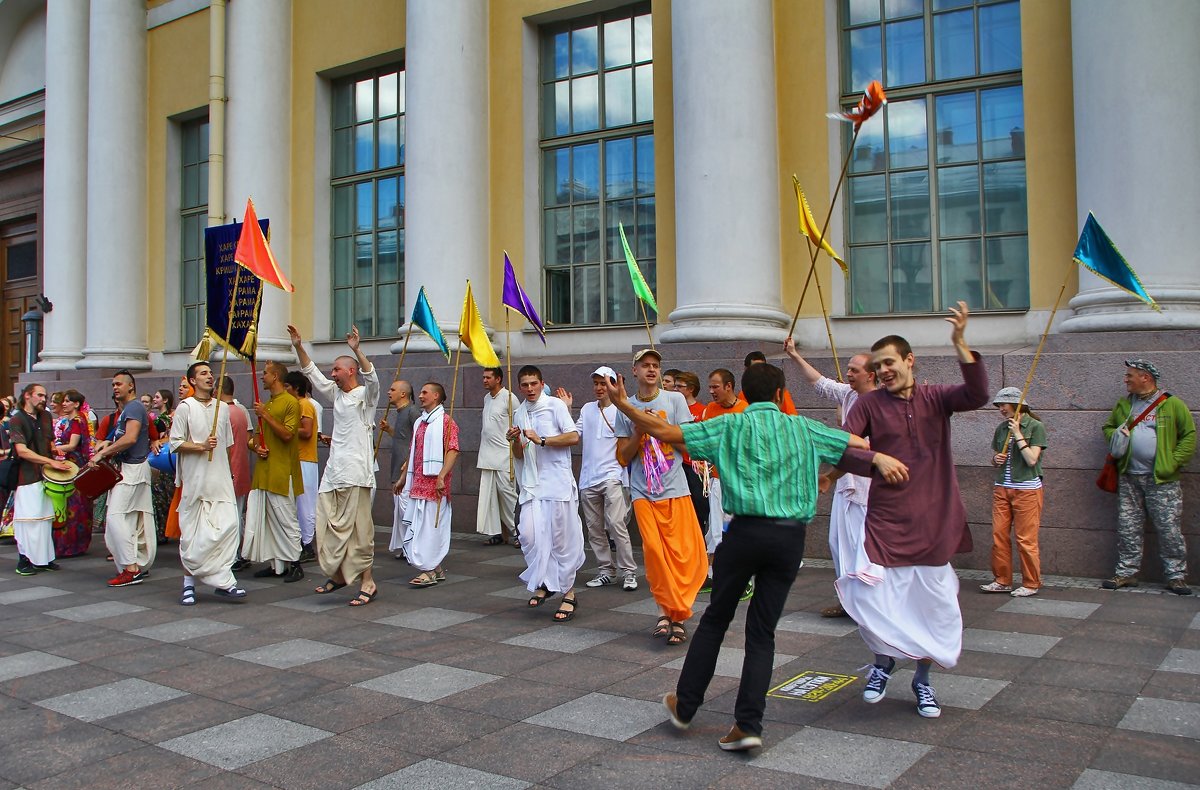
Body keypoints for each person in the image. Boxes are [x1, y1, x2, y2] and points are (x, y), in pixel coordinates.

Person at [607, 364, 901, 751]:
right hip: (788, 540)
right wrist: (860, 463)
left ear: (744, 393)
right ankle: (747, 725)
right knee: (762, 632)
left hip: (744, 533)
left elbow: (664, 431)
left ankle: (686, 705)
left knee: (716, 620)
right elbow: (855, 446)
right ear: (781, 395)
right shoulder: (803, 428)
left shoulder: (729, 425)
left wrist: (624, 404)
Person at [835, 303, 988, 719]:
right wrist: (875, 460)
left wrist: (960, 343)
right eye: (877, 365)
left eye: (890, 362)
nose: (884, 371)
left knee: (932, 607)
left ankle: (923, 680)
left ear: (909, 361)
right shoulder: (866, 406)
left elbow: (977, 395)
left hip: (935, 522)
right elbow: (840, 451)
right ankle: (882, 665)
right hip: (886, 523)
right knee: (878, 601)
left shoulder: (937, 398)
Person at [613, 349, 707, 646]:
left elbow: (687, 442)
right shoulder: (625, 406)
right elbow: (623, 457)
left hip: (675, 487)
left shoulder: (675, 400)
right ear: (635, 371)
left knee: (680, 556)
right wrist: (640, 430)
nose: (651, 370)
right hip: (643, 490)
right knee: (655, 555)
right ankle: (664, 613)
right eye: (645, 366)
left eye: (656, 365)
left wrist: (660, 428)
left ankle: (676, 616)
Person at [784, 339, 877, 617]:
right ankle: (849, 601)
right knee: (839, 543)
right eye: (848, 369)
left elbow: (863, 451)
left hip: (864, 486)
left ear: (870, 375)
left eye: (854, 370)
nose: (848, 374)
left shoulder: (878, 403)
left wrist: (830, 475)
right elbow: (820, 382)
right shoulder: (848, 394)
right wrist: (794, 355)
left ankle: (868, 604)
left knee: (861, 545)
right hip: (843, 482)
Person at [290, 323, 381, 606]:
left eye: (336, 370)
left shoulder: (367, 396)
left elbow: (373, 377)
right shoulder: (336, 394)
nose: (332, 374)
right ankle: (341, 575)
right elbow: (312, 374)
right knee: (328, 525)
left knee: (359, 530)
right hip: (333, 472)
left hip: (357, 473)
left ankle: (368, 581)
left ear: (350, 371)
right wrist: (298, 346)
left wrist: (357, 350)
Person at [1101, 359, 1194, 595]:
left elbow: (1189, 436)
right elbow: (1108, 427)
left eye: (1129, 375)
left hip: (1161, 479)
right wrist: (1117, 435)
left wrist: (1172, 463)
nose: (1125, 380)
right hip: (1129, 477)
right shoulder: (1124, 404)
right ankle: (1126, 572)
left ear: (1145, 377)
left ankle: (1176, 576)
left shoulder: (1172, 404)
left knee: (1168, 528)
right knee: (1128, 527)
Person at [507, 365, 583, 622]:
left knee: (561, 539)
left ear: (541, 384)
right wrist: (515, 441)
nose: (529, 389)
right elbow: (519, 454)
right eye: (525, 385)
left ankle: (568, 593)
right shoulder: (519, 413)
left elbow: (573, 437)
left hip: (557, 482)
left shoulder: (555, 406)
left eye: (533, 384)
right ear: (519, 387)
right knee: (528, 534)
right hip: (532, 484)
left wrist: (542, 440)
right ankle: (547, 582)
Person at [169, 361, 247, 604]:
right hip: (195, 480)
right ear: (192, 380)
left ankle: (223, 580)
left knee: (228, 527)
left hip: (220, 478)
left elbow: (228, 446)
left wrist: (230, 473)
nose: (209, 376)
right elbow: (175, 443)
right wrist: (201, 446)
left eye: (211, 373)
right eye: (203, 373)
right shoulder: (185, 408)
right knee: (193, 533)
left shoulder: (222, 409)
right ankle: (189, 584)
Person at [555, 366, 638, 592]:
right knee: (594, 529)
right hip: (588, 478)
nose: (599, 388)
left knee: (616, 524)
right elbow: (574, 434)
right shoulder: (588, 409)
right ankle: (606, 571)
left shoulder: (623, 409)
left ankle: (629, 572)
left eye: (604, 383)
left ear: (613, 384)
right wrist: (568, 410)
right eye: (597, 384)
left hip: (613, 475)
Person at [980, 387, 1047, 598]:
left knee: (1026, 539)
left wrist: (1018, 434)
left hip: (1027, 489)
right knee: (999, 535)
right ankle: (1002, 580)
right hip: (1002, 487)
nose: (1000, 409)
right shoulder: (1001, 429)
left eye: (1004, 404)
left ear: (1018, 404)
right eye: (998, 405)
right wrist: (995, 460)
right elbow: (997, 459)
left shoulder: (1035, 426)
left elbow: (1031, 460)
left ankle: (1031, 582)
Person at [92, 370, 156, 587]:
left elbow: (130, 438)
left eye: (118, 384)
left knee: (116, 517)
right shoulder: (128, 410)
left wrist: (103, 453)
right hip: (130, 470)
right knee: (128, 521)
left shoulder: (135, 407)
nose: (115, 387)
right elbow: (121, 436)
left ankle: (131, 568)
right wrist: (107, 444)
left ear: (131, 386)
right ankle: (134, 565)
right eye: (112, 385)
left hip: (133, 470)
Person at [244, 361, 305, 584]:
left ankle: (296, 562)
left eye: (265, 373)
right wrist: (255, 447)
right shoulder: (268, 404)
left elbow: (288, 434)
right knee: (269, 520)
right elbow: (255, 438)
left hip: (282, 471)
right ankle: (277, 566)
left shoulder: (290, 403)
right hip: (264, 471)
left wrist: (265, 415)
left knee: (286, 518)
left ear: (276, 376)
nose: (262, 377)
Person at [400, 382, 459, 586]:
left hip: (436, 485)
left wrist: (442, 475)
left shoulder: (446, 422)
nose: (421, 396)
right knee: (422, 527)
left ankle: (430, 570)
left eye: (425, 392)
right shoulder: (420, 422)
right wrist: (402, 478)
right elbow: (413, 450)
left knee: (432, 528)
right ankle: (435, 568)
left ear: (436, 396)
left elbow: (453, 450)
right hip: (417, 483)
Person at [10, 384, 72, 575]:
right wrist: (49, 461)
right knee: (28, 518)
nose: (43, 399)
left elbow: (50, 440)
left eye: (45, 396)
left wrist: (56, 450)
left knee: (45, 518)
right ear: (27, 396)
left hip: (45, 474)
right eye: (39, 395)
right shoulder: (17, 419)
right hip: (26, 476)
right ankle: (24, 559)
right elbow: (21, 450)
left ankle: (43, 559)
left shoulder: (45, 416)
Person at [698, 369, 748, 594]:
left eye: (715, 386)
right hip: (717, 479)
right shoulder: (710, 410)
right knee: (716, 530)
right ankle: (714, 575)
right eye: (709, 387)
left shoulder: (746, 410)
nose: (711, 391)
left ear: (729, 386)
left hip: (740, 482)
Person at [476, 366, 520, 546]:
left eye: (488, 377)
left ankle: (520, 532)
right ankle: (500, 534)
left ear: (499, 379)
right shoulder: (487, 398)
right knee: (492, 497)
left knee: (508, 494)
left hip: (504, 455)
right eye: (484, 377)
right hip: (487, 455)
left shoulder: (510, 398)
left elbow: (519, 423)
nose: (484, 380)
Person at [49, 389, 94, 558]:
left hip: (76, 466)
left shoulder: (77, 420)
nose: (64, 403)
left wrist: (52, 449)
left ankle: (73, 544)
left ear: (76, 404)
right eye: (64, 401)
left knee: (76, 504)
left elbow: (73, 445)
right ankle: (68, 543)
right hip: (70, 463)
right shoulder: (69, 420)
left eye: (68, 401)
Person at [379, 379, 419, 559]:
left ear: (403, 394)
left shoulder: (412, 411)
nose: (389, 392)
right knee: (400, 508)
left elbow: (419, 439)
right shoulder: (401, 412)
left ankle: (414, 545)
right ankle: (406, 546)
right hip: (398, 468)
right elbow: (403, 437)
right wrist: (389, 430)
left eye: (392, 389)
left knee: (406, 510)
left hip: (407, 471)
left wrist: (409, 462)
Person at [284, 371, 320, 562]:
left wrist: (285, 429)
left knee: (306, 504)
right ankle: (302, 542)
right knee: (299, 503)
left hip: (305, 460)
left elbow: (306, 432)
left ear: (296, 388)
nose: (285, 390)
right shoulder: (298, 405)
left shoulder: (305, 404)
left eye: (288, 387)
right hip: (298, 459)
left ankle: (307, 544)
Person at [149, 387, 176, 545]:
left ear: (165, 400)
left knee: (163, 495)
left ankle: (163, 531)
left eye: (157, 397)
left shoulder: (166, 419)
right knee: (162, 495)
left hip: (165, 460)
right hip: (162, 459)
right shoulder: (161, 418)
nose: (154, 399)